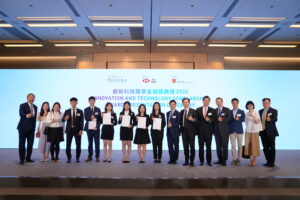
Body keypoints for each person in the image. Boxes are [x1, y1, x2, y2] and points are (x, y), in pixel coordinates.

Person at [17, 93, 38, 165]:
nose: (32, 99)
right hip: (23, 128)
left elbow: (34, 119)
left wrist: (35, 128)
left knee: (30, 144)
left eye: (33, 97)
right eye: (30, 97)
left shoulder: (35, 107)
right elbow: (21, 114)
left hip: (31, 129)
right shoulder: (22, 105)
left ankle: (28, 158)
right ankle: (22, 159)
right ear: (27, 98)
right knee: (22, 144)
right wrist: (27, 115)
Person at [62, 97, 84, 163]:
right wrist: (65, 118)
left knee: (78, 145)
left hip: (77, 130)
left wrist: (81, 129)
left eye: (75, 102)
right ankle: (69, 157)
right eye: (72, 102)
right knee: (68, 145)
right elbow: (63, 120)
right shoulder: (67, 111)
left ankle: (77, 157)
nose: (73, 103)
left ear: (77, 103)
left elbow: (82, 121)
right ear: (70, 103)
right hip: (69, 130)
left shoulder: (80, 111)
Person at [196, 96, 215, 166]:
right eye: (205, 100)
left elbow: (214, 119)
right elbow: (196, 121)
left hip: (208, 131)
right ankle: (201, 161)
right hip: (200, 132)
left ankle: (209, 161)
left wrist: (209, 120)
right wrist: (196, 132)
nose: (206, 102)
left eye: (207, 100)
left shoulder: (212, 110)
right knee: (200, 147)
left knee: (208, 147)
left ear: (209, 101)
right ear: (203, 101)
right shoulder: (198, 109)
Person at [259, 98, 279, 167]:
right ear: (262, 103)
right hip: (263, 132)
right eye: (264, 103)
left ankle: (272, 162)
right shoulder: (260, 111)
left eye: (267, 103)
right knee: (265, 148)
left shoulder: (274, 111)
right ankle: (268, 161)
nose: (265, 104)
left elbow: (275, 119)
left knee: (272, 147)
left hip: (271, 132)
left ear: (270, 103)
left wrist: (270, 119)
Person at [180, 98, 197, 166]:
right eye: (184, 102)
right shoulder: (181, 112)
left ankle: (192, 160)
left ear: (189, 103)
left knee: (192, 146)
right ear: (182, 103)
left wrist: (192, 119)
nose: (185, 103)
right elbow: (180, 122)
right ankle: (186, 160)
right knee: (185, 147)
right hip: (184, 131)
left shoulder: (193, 111)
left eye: (187, 102)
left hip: (191, 132)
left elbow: (197, 121)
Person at [214, 97, 231, 166]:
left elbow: (229, 118)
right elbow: (213, 120)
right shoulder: (214, 110)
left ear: (222, 102)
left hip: (224, 131)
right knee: (218, 147)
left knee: (225, 146)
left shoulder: (227, 109)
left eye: (219, 101)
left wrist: (222, 119)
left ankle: (224, 160)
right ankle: (220, 159)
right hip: (217, 131)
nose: (218, 103)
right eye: (217, 101)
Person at [84, 96, 102, 162]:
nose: (92, 102)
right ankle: (90, 156)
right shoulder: (86, 109)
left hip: (96, 129)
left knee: (97, 143)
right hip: (89, 129)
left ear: (94, 101)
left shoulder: (98, 109)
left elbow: (100, 120)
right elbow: (86, 118)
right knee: (90, 143)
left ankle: (97, 156)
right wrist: (90, 118)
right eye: (90, 101)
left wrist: (97, 126)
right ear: (89, 101)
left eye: (93, 101)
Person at [245, 101, 262, 167]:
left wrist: (252, 115)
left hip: (254, 131)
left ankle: (255, 159)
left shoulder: (256, 112)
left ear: (253, 106)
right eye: (248, 105)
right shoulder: (246, 113)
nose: (250, 106)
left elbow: (257, 121)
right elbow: (246, 122)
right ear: (247, 106)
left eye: (251, 105)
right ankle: (250, 159)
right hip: (248, 131)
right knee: (249, 145)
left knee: (254, 145)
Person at [228, 98, 245, 166]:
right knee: (233, 146)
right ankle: (234, 159)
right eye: (233, 103)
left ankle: (239, 159)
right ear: (232, 104)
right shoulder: (229, 111)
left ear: (238, 103)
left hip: (239, 131)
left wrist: (239, 119)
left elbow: (243, 119)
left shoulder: (241, 111)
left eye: (236, 103)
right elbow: (228, 120)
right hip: (231, 130)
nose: (234, 104)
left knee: (240, 146)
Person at [166, 100, 180, 164]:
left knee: (176, 146)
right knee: (170, 147)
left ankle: (175, 159)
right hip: (169, 133)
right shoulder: (168, 113)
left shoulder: (178, 113)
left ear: (175, 105)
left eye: (173, 104)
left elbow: (178, 123)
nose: (172, 105)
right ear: (169, 105)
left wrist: (172, 125)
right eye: (171, 104)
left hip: (175, 132)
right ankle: (171, 159)